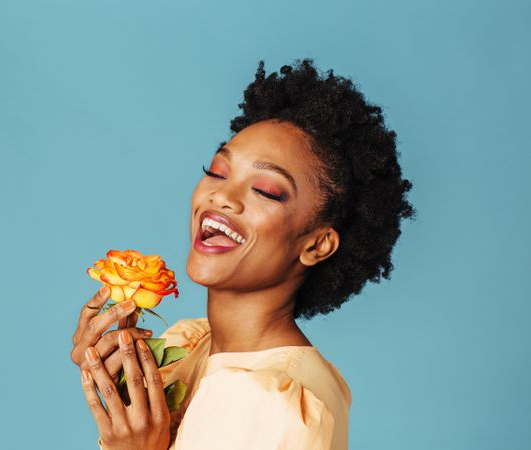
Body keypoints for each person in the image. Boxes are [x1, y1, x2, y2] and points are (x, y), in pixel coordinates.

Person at [70, 58, 417, 449]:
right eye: (217, 171)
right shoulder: (191, 344)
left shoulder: (272, 403)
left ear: (317, 245)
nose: (222, 196)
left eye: (266, 191)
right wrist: (115, 385)